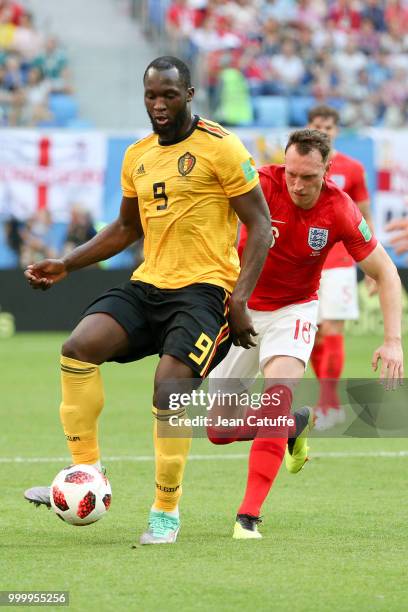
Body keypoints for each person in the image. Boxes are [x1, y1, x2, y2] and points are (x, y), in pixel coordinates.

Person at [23, 56, 272, 545]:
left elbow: (261, 227)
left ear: (190, 94)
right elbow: (125, 228)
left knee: (168, 390)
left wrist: (240, 300)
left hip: (205, 291)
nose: (159, 105)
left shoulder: (221, 147)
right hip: (148, 285)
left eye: (169, 95)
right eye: (151, 96)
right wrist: (66, 264)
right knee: (77, 348)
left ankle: (165, 510)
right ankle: (86, 474)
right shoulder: (137, 154)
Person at [207, 129, 404, 539]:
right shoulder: (259, 183)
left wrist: (393, 341)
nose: (297, 184)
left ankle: (248, 516)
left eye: (309, 177)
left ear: (328, 171)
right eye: (292, 173)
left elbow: (385, 272)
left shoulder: (340, 209)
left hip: (294, 310)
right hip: (240, 308)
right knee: (218, 430)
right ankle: (292, 425)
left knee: (277, 395)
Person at [307, 105, 376, 429]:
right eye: (317, 125)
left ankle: (327, 403)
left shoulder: (353, 168)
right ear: (309, 127)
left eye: (329, 126)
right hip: (305, 262)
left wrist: (374, 267)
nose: (323, 131)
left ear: (336, 130)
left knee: (333, 329)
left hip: (339, 261)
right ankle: (328, 400)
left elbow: (364, 217)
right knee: (314, 335)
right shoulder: (300, 167)